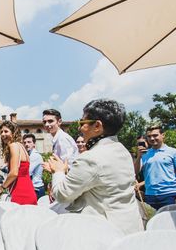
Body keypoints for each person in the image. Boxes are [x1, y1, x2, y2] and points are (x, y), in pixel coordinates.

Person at [44, 99, 144, 235]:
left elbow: (62, 195)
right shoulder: (122, 150)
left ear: (97, 126)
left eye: (82, 123)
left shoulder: (91, 158)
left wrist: (58, 172)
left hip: (105, 234)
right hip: (130, 227)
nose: (79, 128)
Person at [134, 126, 176, 210]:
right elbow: (135, 172)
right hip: (150, 196)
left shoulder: (174, 152)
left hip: (170, 195)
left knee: (169, 222)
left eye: (155, 135)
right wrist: (139, 157)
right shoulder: (145, 154)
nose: (152, 138)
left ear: (163, 135)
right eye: (149, 136)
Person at [0, 120, 37, 205]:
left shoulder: (13, 146)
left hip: (20, 193)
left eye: (6, 131)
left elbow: (14, 173)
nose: (2, 134)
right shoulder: (21, 146)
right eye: (1, 132)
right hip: (29, 191)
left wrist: (1, 188)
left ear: (13, 133)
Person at [22, 133, 45, 199]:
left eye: (29, 142)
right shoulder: (29, 155)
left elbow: (27, 172)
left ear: (34, 144)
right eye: (25, 142)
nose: (26, 144)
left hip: (36, 189)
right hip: (34, 188)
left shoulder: (35, 156)